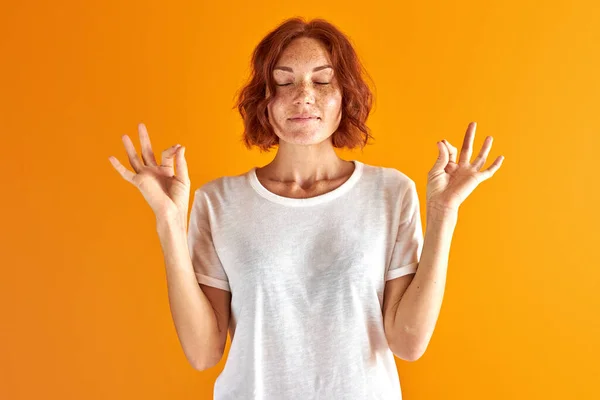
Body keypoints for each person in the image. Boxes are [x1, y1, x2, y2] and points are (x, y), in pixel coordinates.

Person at [109, 16, 503, 400]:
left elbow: (408, 342)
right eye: (284, 80)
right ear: (263, 99)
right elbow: (203, 352)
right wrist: (169, 222)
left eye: (322, 79)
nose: (303, 95)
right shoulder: (218, 201)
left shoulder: (390, 192)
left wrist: (444, 213)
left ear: (345, 95)